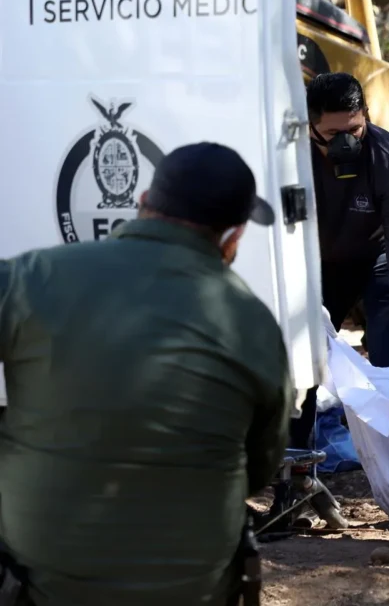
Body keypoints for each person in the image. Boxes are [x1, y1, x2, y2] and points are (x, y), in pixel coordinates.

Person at [0, 142, 293, 606]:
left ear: (141, 202)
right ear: (233, 236)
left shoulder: (31, 277)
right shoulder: (253, 322)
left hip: (42, 588)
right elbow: (259, 466)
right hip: (194, 591)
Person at [291, 72, 389, 449]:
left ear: (366, 114)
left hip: (379, 255)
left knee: (388, 357)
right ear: (309, 127)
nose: (346, 143)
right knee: (305, 359)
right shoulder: (290, 158)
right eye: (332, 134)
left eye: (354, 130)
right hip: (319, 262)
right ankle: (298, 453)